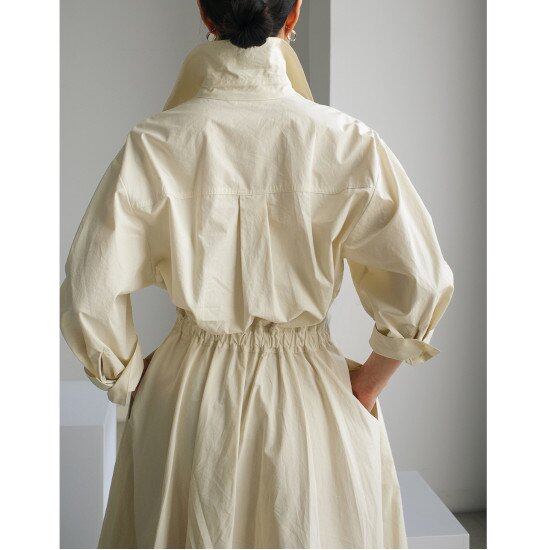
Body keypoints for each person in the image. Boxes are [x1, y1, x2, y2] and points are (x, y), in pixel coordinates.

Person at [60, 0, 454, 547]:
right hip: (311, 400)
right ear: (294, 14)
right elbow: (421, 279)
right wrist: (366, 386)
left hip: (188, 397)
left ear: (205, 14)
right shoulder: (346, 142)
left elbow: (88, 291)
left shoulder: (155, 143)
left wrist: (130, 377)